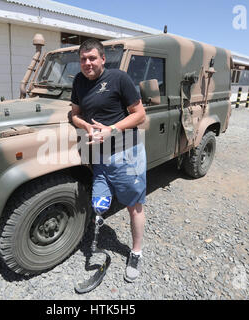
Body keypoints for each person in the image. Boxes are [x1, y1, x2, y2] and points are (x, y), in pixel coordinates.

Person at [70, 38, 147, 282]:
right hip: (99, 157)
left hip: (126, 154)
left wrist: (111, 130)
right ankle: (96, 242)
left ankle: (136, 252)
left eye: (92, 58)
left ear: (103, 59)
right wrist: (86, 127)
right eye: (83, 59)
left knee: (133, 206)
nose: (87, 63)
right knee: (100, 204)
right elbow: (74, 114)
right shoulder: (78, 81)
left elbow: (140, 115)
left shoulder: (119, 79)